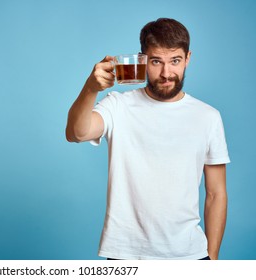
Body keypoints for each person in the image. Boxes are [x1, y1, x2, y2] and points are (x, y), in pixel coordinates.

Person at [65, 18, 230, 260]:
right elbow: (76, 133)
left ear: (188, 58)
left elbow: (216, 194)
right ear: (143, 60)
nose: (166, 73)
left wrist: (212, 260)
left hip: (190, 255)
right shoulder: (118, 105)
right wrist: (91, 87)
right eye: (156, 62)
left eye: (175, 61)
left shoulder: (208, 117)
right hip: (126, 255)